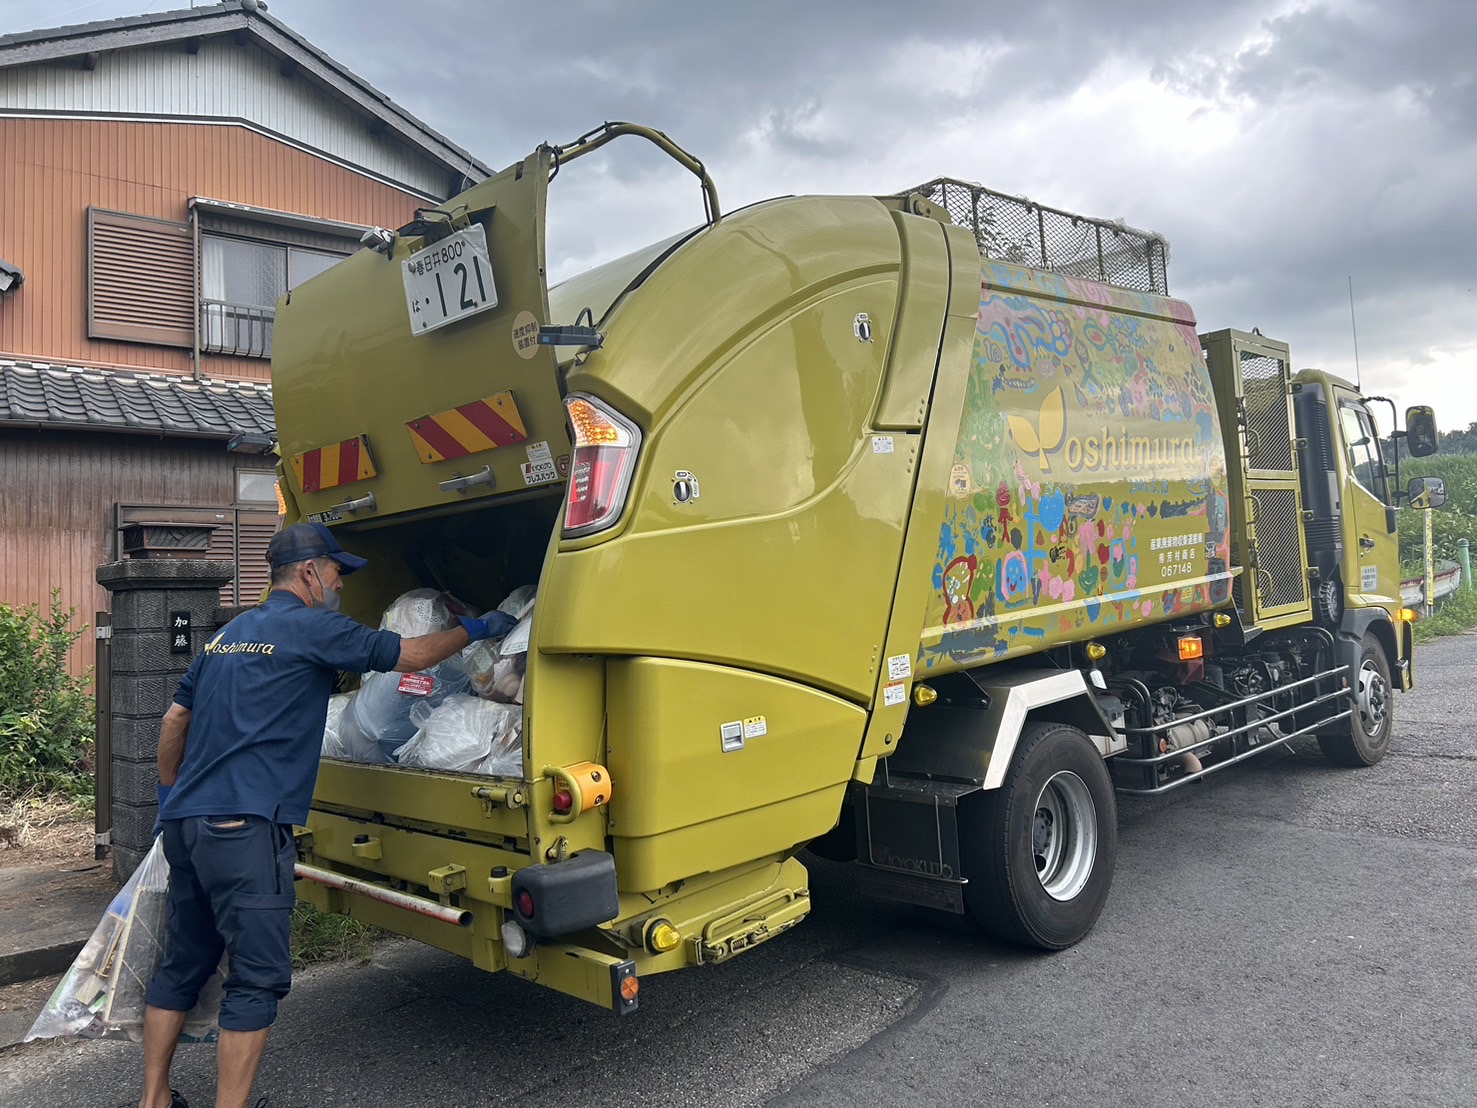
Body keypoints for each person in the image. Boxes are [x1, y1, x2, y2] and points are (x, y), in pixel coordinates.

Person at [131, 523, 512, 1108]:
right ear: (310, 572)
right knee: (255, 980)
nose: (339, 584)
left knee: (185, 962)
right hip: (244, 828)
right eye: (337, 573)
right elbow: (410, 654)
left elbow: (173, 723)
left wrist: (168, 798)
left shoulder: (226, 637)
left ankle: (153, 1099)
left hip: (187, 824)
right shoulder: (311, 627)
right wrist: (477, 629)